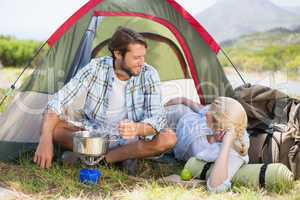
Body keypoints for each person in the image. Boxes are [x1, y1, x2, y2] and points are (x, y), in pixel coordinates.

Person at [34, 27, 176, 169]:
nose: (142, 62)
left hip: (132, 139)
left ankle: (103, 159)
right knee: (53, 127)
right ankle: (126, 156)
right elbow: (57, 101)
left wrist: (136, 128)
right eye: (136, 57)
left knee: (168, 138)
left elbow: (158, 118)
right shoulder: (95, 68)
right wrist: (45, 140)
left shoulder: (149, 74)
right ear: (118, 54)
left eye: (143, 56)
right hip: (97, 136)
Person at [165, 96, 249, 192]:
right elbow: (202, 109)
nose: (206, 113)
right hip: (179, 114)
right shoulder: (222, 120)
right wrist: (184, 100)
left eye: (210, 112)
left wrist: (226, 143)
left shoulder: (235, 149)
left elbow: (215, 187)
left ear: (220, 127)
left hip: (171, 135)